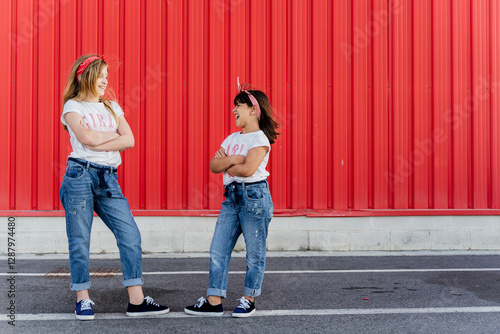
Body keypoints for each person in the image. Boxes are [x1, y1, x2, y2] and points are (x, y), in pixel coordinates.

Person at [59, 55, 169, 320]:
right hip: (79, 175)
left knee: (130, 235)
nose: (106, 81)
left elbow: (129, 140)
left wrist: (98, 139)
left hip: (109, 178)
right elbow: (84, 138)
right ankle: (83, 299)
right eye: (101, 75)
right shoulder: (72, 106)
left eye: (107, 76)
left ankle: (136, 300)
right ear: (85, 75)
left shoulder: (112, 107)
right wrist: (111, 137)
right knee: (80, 240)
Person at [184, 79, 279, 317]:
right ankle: (214, 301)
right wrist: (237, 160)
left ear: (253, 110)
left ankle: (248, 298)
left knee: (254, 252)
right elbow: (214, 165)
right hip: (231, 198)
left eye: (238, 105)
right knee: (218, 249)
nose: (234, 110)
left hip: (254, 197)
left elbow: (248, 171)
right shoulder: (231, 139)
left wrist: (229, 163)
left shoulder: (260, 139)